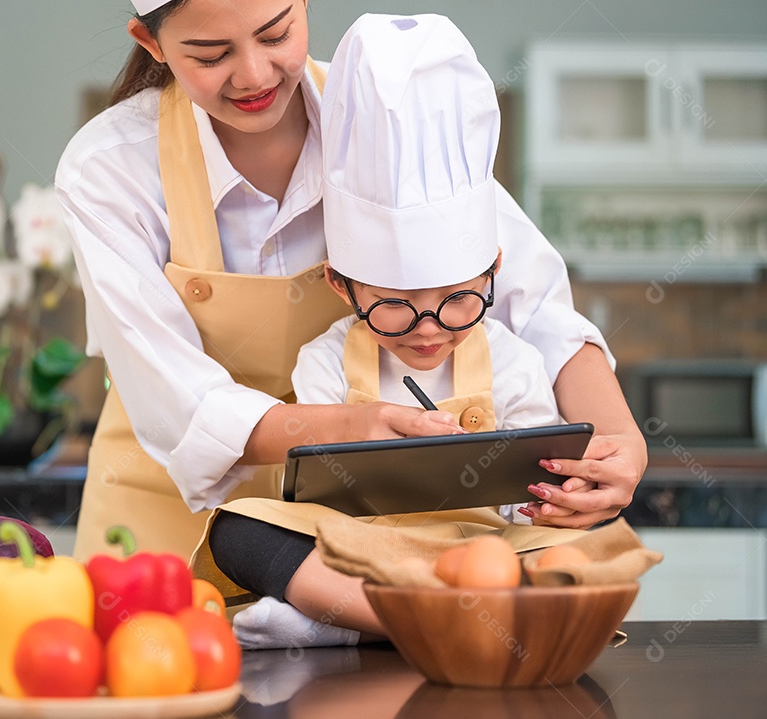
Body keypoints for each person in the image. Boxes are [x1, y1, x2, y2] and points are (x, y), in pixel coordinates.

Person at [54, 0, 646, 562]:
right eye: (211, 55)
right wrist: (344, 431)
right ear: (150, 41)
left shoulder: (387, 110)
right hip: (161, 520)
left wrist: (616, 435)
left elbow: (531, 303)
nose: (254, 73)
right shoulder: (110, 167)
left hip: (364, 527)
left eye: (275, 33)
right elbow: (168, 389)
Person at [195, 13, 591, 649]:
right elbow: (316, 495)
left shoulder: (515, 362)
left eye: (459, 300)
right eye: (396, 307)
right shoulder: (321, 364)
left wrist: (543, 501)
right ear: (340, 286)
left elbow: (534, 478)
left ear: (492, 272)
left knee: (591, 538)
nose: (429, 330)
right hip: (362, 552)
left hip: (482, 549)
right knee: (238, 528)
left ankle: (338, 622)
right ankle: (378, 615)